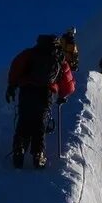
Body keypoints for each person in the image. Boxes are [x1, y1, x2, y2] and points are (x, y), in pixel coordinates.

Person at [6, 34, 76, 169]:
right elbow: (69, 85)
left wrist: (12, 86)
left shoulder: (30, 53)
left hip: (27, 89)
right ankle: (38, 154)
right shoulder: (60, 58)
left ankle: (19, 149)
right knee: (40, 124)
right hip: (46, 93)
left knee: (24, 119)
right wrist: (62, 95)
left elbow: (16, 67)